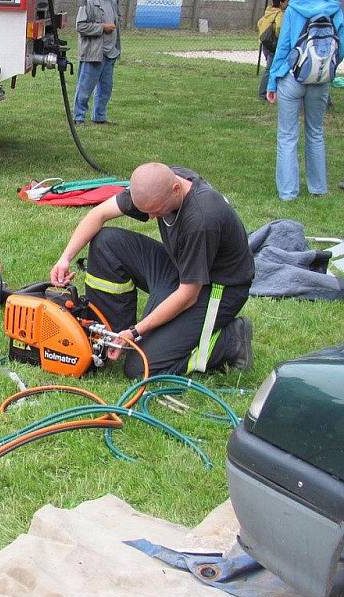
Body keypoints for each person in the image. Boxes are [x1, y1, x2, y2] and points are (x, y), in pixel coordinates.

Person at [50, 163, 254, 379]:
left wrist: (136, 331)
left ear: (176, 189)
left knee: (140, 368)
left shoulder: (201, 219)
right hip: (181, 268)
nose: (150, 217)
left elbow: (187, 296)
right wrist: (65, 258)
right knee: (106, 242)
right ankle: (110, 334)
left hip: (215, 289)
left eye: (156, 211)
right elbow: (99, 215)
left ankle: (231, 341)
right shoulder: (155, 184)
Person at [266, 0, 344, 201]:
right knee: (316, 132)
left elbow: (283, 47)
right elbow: (340, 46)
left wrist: (272, 81)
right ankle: (318, 188)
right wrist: (327, 69)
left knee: (287, 136)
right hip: (320, 80)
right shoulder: (335, 9)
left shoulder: (294, 9)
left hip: (292, 76)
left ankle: (288, 193)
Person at [73, 0, 121, 125]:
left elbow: (117, 23)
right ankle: (79, 118)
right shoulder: (87, 2)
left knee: (106, 89)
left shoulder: (113, 2)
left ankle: (99, 118)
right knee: (85, 88)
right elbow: (80, 26)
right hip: (93, 53)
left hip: (110, 53)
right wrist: (102, 28)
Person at [257, 0, 288, 100]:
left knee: (269, 68)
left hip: (266, 45)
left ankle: (265, 91)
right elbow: (279, 28)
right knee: (271, 69)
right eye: (286, 2)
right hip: (275, 45)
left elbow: (259, 23)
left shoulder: (268, 11)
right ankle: (263, 93)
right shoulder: (279, 14)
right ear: (281, 3)